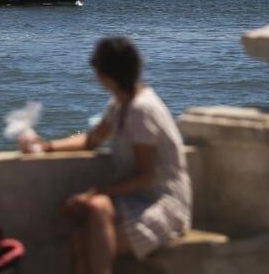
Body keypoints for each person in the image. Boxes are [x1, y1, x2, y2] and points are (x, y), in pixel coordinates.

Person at [21, 37, 191, 273]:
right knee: (81, 231)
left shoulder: (141, 110)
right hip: (136, 201)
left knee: (96, 210)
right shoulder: (120, 104)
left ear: (105, 75)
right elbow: (92, 140)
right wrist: (45, 146)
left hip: (162, 204)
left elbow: (146, 176)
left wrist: (98, 192)